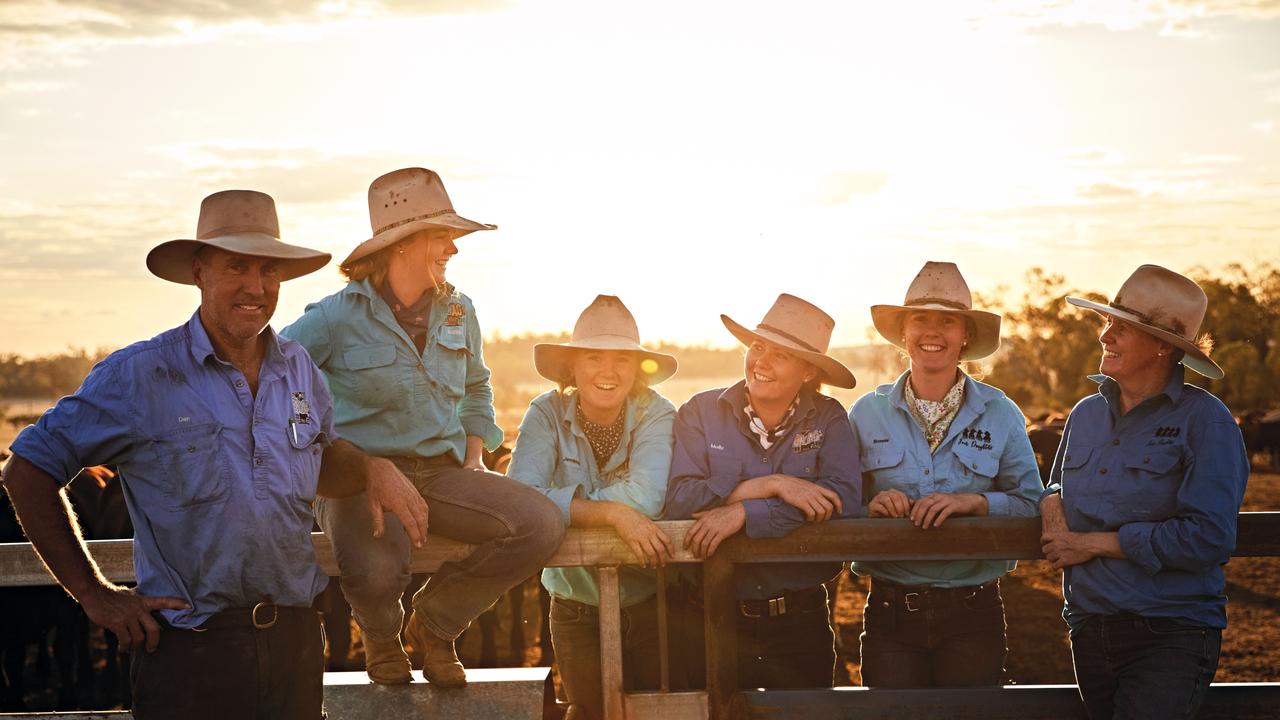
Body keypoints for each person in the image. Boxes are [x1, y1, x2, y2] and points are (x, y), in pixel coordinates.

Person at [0, 190, 423, 719]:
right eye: (235, 267)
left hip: (293, 641)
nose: (255, 286)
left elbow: (321, 460)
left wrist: (369, 467)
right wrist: (97, 594)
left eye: (268, 270)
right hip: (190, 653)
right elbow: (28, 469)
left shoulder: (298, 369)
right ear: (199, 272)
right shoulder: (141, 375)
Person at [281, 167, 565, 687]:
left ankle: (435, 624)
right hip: (360, 478)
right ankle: (384, 637)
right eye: (442, 236)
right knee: (376, 571)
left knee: (540, 524)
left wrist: (476, 454)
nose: (453, 249)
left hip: (440, 472)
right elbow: (277, 378)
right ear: (404, 245)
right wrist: (321, 448)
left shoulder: (460, 311)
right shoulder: (332, 319)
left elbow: (477, 387)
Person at [1039, 264, 1249, 720]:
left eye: (1121, 328)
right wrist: (1054, 516)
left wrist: (1090, 544)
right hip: (1090, 628)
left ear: (1162, 347)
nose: (1104, 337)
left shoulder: (1206, 422)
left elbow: (1208, 537)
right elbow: (1053, 483)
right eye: (1107, 324)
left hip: (1170, 631)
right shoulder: (1085, 414)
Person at [849, 260, 1042, 687]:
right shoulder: (867, 413)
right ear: (903, 332)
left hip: (973, 612)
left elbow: (1032, 502)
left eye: (948, 321)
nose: (932, 331)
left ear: (966, 335)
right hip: (890, 611)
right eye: (920, 318)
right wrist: (873, 505)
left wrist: (975, 502)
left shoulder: (1001, 412)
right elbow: (843, 502)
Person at [662, 293, 861, 689]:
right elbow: (679, 499)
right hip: (708, 615)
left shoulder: (828, 418)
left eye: (780, 355)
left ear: (807, 372)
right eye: (757, 346)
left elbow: (844, 501)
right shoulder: (699, 413)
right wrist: (772, 485)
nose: (761, 362)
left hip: (798, 618)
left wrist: (743, 513)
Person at [507, 294, 679, 720]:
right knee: (587, 710)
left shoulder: (657, 414)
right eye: (593, 358)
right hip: (574, 604)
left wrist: (568, 506)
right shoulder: (546, 413)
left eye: (622, 359)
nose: (608, 372)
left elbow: (647, 496)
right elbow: (520, 497)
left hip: (648, 602)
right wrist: (612, 514)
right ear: (573, 367)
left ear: (638, 368)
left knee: (655, 712)